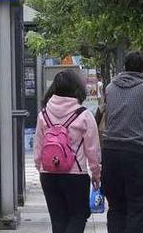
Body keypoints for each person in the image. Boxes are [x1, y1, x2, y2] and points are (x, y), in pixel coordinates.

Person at [33, 69, 101, 233]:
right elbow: (92, 149)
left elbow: (38, 146)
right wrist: (96, 172)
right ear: (76, 88)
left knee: (58, 220)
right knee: (78, 216)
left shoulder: (43, 114)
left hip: (48, 174)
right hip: (75, 175)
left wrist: (41, 166)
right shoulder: (84, 115)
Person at [101, 51, 143, 233]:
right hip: (136, 153)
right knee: (137, 207)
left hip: (110, 152)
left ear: (124, 67)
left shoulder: (110, 88)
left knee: (116, 207)